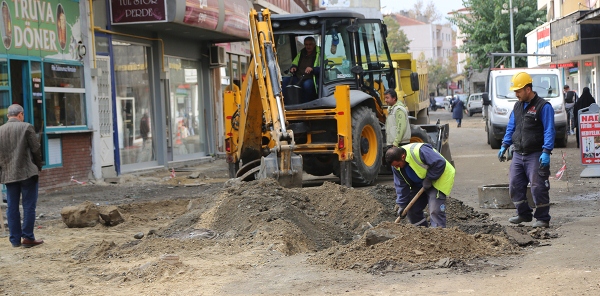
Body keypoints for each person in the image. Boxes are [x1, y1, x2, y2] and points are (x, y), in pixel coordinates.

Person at [498, 72, 554, 228]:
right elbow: (511, 127)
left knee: (538, 186)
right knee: (514, 185)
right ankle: (523, 214)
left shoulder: (543, 106)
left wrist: (546, 151)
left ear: (528, 89)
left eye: (518, 91)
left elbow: (549, 130)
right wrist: (504, 145)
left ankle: (542, 218)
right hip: (518, 153)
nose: (516, 94)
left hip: (536, 154)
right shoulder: (517, 106)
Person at [0, 104, 43, 248]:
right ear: (20, 115)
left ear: (8, 116)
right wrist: (38, 167)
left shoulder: (0, 130)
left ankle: (15, 240)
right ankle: (28, 238)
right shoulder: (26, 127)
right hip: (27, 173)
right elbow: (36, 149)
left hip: (9, 174)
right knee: (28, 206)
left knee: (12, 207)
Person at [385, 144, 455, 228]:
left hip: (438, 179)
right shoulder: (396, 166)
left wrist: (429, 179)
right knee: (411, 210)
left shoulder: (420, 151)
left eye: (398, 164)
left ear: (403, 156)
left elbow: (440, 162)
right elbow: (401, 185)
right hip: (420, 183)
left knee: (435, 211)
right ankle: (422, 234)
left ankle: (438, 237)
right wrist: (402, 204)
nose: (396, 167)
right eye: (394, 166)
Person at [282, 36, 321, 104]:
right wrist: (293, 67)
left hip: (311, 78)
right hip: (298, 77)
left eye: (310, 44)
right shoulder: (302, 53)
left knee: (307, 85)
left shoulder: (320, 53)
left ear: (314, 44)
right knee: (284, 80)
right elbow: (295, 62)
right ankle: (284, 103)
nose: (308, 46)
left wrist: (312, 69)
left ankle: (306, 104)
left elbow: (323, 68)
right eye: (306, 44)